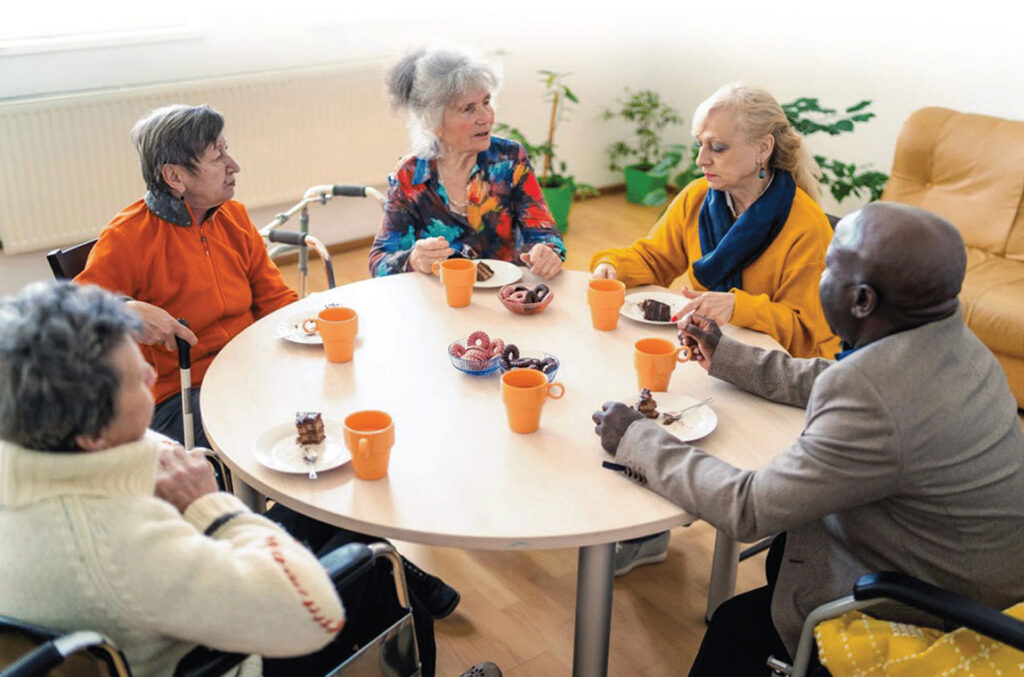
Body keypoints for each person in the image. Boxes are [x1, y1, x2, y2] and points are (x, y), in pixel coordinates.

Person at [73, 104, 460, 635]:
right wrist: (125, 310)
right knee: (318, 455)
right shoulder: (130, 237)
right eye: (218, 157)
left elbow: (274, 296)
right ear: (175, 177)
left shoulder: (230, 216)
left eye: (227, 150)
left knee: (351, 416)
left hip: (257, 371)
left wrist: (321, 328)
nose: (234, 166)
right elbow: (69, 315)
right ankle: (353, 576)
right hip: (182, 396)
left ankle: (370, 566)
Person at [592, 203, 1024, 676]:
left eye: (828, 267)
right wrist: (727, 356)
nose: (820, 278)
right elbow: (837, 376)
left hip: (926, 612)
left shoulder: (872, 397)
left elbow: (748, 508)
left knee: (733, 630)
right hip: (971, 572)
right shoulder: (952, 340)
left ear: (862, 301)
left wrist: (636, 437)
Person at [0, 281, 500, 677]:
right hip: (234, 656)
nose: (152, 376)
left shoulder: (33, 450)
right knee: (372, 568)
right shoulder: (116, 543)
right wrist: (208, 506)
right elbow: (314, 614)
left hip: (143, 618)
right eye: (135, 377)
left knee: (337, 509)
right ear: (90, 433)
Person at [591, 83, 841, 576]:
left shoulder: (807, 227)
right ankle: (646, 529)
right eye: (700, 144)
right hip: (704, 356)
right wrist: (610, 268)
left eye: (718, 147)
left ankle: (655, 525)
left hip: (774, 378)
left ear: (762, 149)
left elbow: (808, 338)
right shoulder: (699, 198)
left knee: (665, 419)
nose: (702, 159)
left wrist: (738, 306)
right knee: (642, 400)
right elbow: (654, 257)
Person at [369, 45, 566, 279]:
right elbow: (380, 262)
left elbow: (547, 236)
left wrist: (547, 252)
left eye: (486, 102)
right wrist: (413, 258)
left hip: (504, 295)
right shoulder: (411, 175)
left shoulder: (509, 160)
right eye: (468, 109)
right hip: (440, 300)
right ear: (434, 123)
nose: (486, 117)